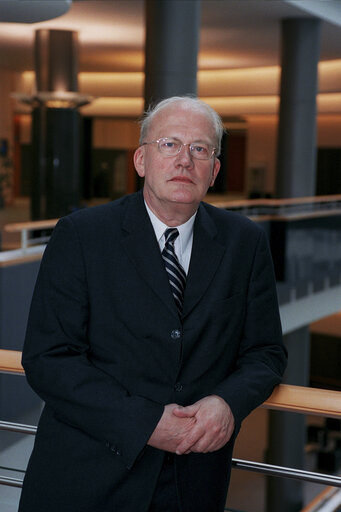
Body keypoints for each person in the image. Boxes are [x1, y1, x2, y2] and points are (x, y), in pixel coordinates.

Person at [19, 96, 287, 512]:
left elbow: (265, 352)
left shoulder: (245, 241)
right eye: (169, 144)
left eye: (200, 149)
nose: (185, 160)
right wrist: (144, 424)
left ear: (214, 170)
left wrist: (227, 403)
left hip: (191, 483)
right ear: (141, 160)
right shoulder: (82, 235)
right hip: (86, 478)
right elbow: (49, 358)